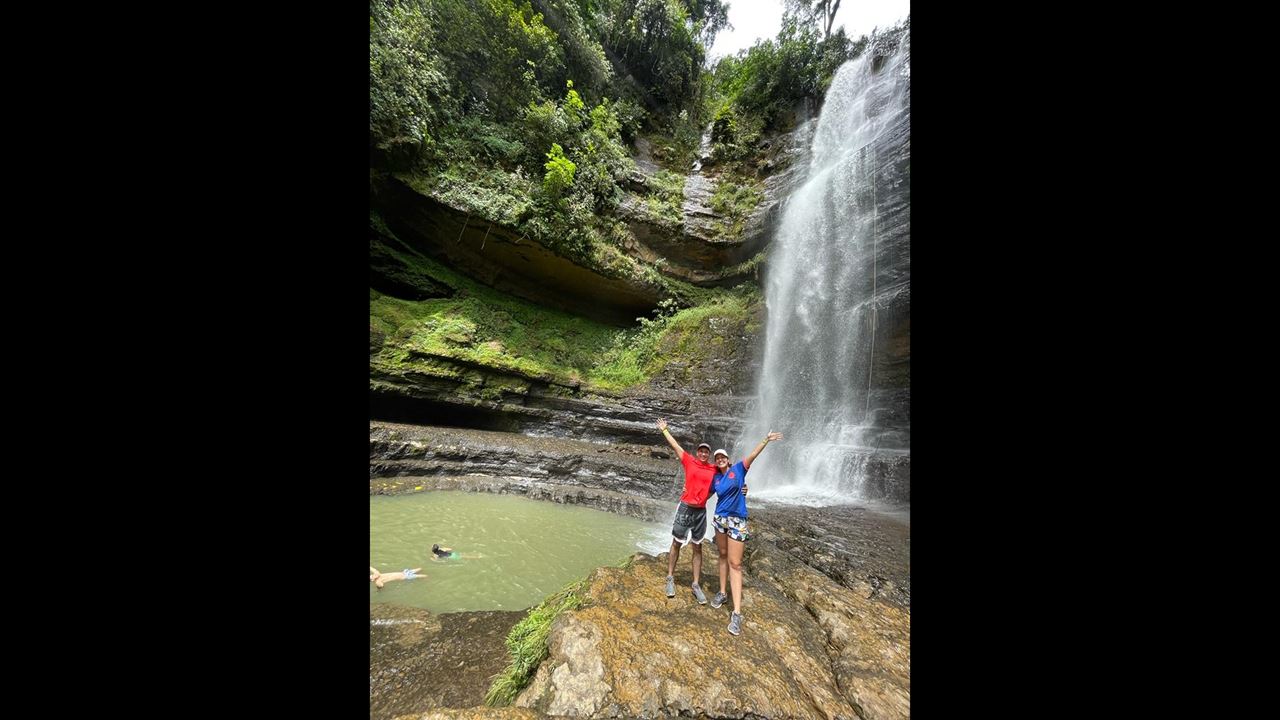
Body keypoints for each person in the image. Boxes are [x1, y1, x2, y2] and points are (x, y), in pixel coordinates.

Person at [709, 431, 784, 636]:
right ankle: (722, 593)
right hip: (720, 519)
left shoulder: (738, 470)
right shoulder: (715, 478)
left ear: (728, 459)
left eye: (723, 457)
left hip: (738, 521)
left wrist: (765, 439)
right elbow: (704, 491)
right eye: (717, 458)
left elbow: (753, 454)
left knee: (736, 563)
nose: (720, 459)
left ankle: (737, 612)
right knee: (722, 556)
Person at [656, 418, 716, 604]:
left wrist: (743, 488)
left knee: (697, 546)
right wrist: (665, 430)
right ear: (697, 453)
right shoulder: (689, 461)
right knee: (676, 543)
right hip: (685, 508)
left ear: (709, 454)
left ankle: (696, 584)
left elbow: (731, 477)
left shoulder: (714, 469)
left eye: (707, 451)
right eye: (702, 451)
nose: (704, 453)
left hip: (700, 512)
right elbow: (676, 447)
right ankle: (670, 577)